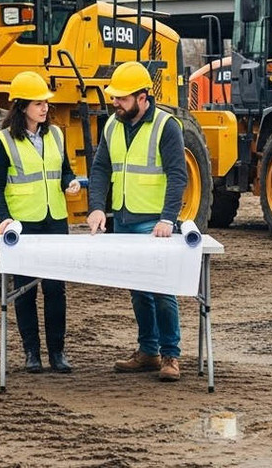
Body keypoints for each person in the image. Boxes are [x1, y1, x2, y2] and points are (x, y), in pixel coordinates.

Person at [86, 61, 189, 382]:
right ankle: (148, 351)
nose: (115, 103)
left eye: (122, 98)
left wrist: (168, 218)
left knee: (161, 290)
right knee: (139, 291)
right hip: (125, 221)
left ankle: (171, 355)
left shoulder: (165, 126)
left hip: (154, 225)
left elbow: (177, 175)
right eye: (114, 97)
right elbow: (101, 169)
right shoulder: (113, 125)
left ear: (143, 97)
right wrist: (96, 208)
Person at [0, 71, 82, 374]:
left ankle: (57, 352)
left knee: (56, 289)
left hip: (55, 220)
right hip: (23, 224)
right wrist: (4, 219)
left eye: (45, 103)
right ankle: (32, 353)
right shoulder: (2, 141)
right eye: (38, 103)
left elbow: (65, 170)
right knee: (25, 289)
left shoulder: (56, 134)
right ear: (21, 107)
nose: (44, 108)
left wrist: (70, 182)